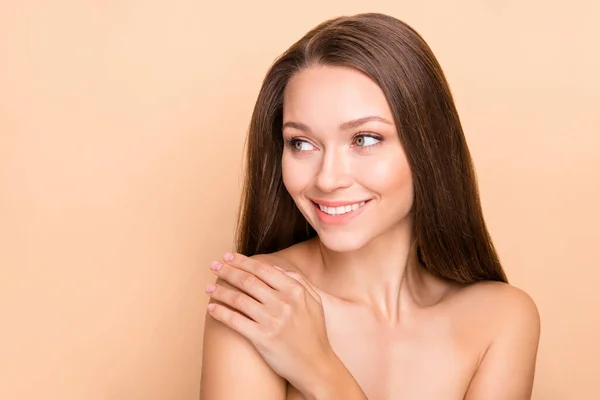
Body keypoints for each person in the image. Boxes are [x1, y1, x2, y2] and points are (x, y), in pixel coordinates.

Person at [199, 12, 541, 400]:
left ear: (428, 145)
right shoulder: (262, 301)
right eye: (301, 143)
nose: (327, 178)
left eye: (364, 139)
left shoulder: (501, 319)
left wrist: (320, 371)